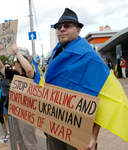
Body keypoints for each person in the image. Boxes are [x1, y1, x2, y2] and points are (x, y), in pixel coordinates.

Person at [45, 8, 101, 150]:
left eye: (67, 26)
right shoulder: (55, 54)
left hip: (79, 125)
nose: (62, 29)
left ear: (78, 30)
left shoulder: (88, 55)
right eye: (59, 27)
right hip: (55, 124)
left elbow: (101, 96)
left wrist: (93, 136)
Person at [0, 44, 39, 150]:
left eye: (16, 62)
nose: (14, 64)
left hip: (27, 113)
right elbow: (1, 68)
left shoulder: (30, 76)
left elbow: (30, 70)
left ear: (20, 64)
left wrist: (17, 53)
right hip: (15, 112)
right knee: (20, 140)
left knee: (30, 142)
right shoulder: (14, 75)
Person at [0, 62, 13, 142]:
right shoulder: (3, 77)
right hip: (4, 98)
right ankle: (9, 133)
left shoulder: (14, 76)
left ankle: (14, 132)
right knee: (6, 116)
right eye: (5, 68)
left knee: (12, 117)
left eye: (8, 67)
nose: (7, 69)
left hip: (12, 99)